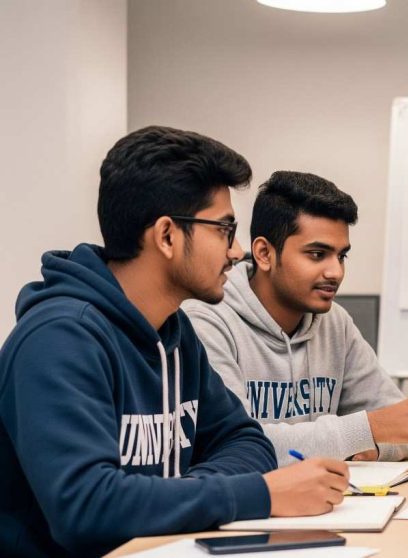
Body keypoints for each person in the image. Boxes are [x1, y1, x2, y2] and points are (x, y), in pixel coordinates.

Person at [0, 127, 353, 557]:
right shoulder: (58, 340)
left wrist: (172, 497)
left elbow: (246, 441)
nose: (236, 251)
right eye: (224, 229)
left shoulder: (174, 330)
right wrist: (259, 494)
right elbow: (86, 508)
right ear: (167, 235)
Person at [184, 171, 408, 465]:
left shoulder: (335, 322)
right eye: (317, 254)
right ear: (264, 253)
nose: (335, 272)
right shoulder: (206, 321)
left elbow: (406, 426)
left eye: (341, 256)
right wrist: (369, 429)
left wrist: (375, 447)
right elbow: (236, 445)